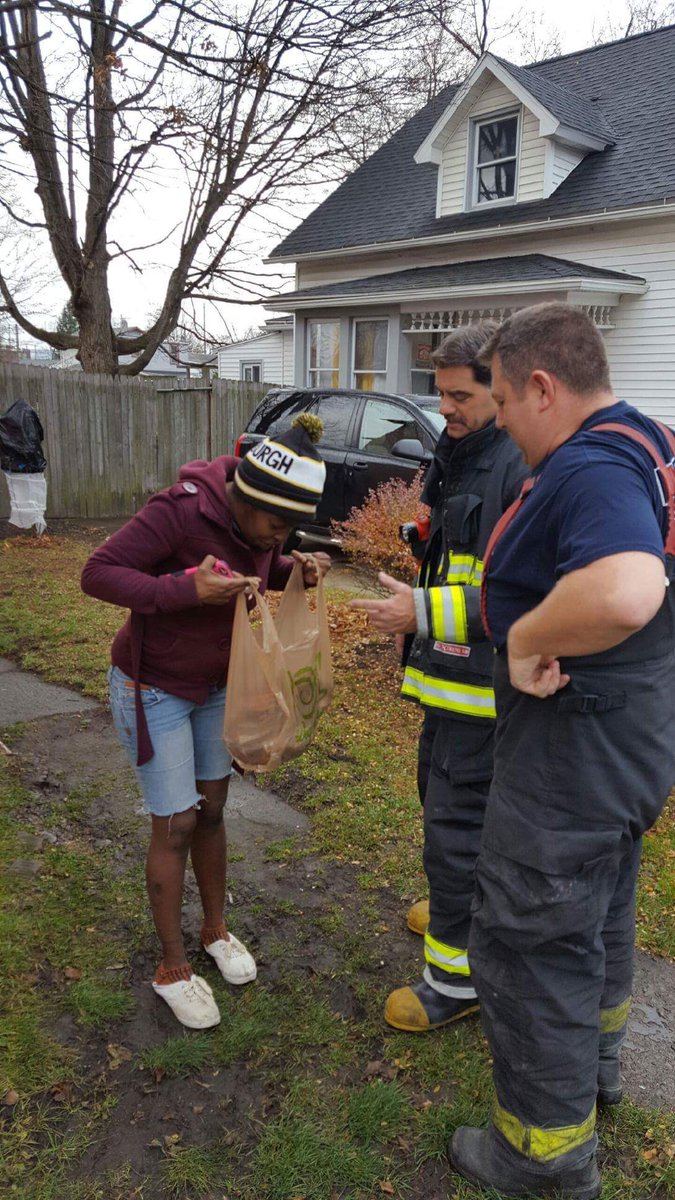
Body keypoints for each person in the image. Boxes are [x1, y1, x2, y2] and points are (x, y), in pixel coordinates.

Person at [449, 303, 675, 1200]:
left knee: (534, 943)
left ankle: (541, 1160)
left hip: (571, 752)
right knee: (598, 913)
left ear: (543, 387)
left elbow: (624, 590)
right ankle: (599, 1071)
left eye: (502, 398)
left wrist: (524, 636)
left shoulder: (586, 466)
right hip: (633, 740)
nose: (499, 418)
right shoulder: (651, 440)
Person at [81, 414, 330, 1030]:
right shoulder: (179, 510)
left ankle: (214, 929)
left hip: (218, 687)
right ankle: (171, 966)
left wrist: (292, 567)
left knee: (214, 811)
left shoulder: (262, 525)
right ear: (244, 499)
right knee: (176, 823)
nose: (281, 534)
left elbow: (257, 566)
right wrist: (183, 590)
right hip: (155, 686)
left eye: (290, 528)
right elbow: (99, 573)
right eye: (278, 526)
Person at [351, 324, 527, 1031]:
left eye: (459, 395)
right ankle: (462, 910)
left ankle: (455, 981)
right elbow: (459, 548)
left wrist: (418, 610)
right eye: (439, 391)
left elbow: (515, 591)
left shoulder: (515, 464)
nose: (443, 407)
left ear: (502, 388)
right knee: (441, 805)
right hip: (449, 685)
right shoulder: (464, 450)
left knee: (456, 829)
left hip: (483, 692)